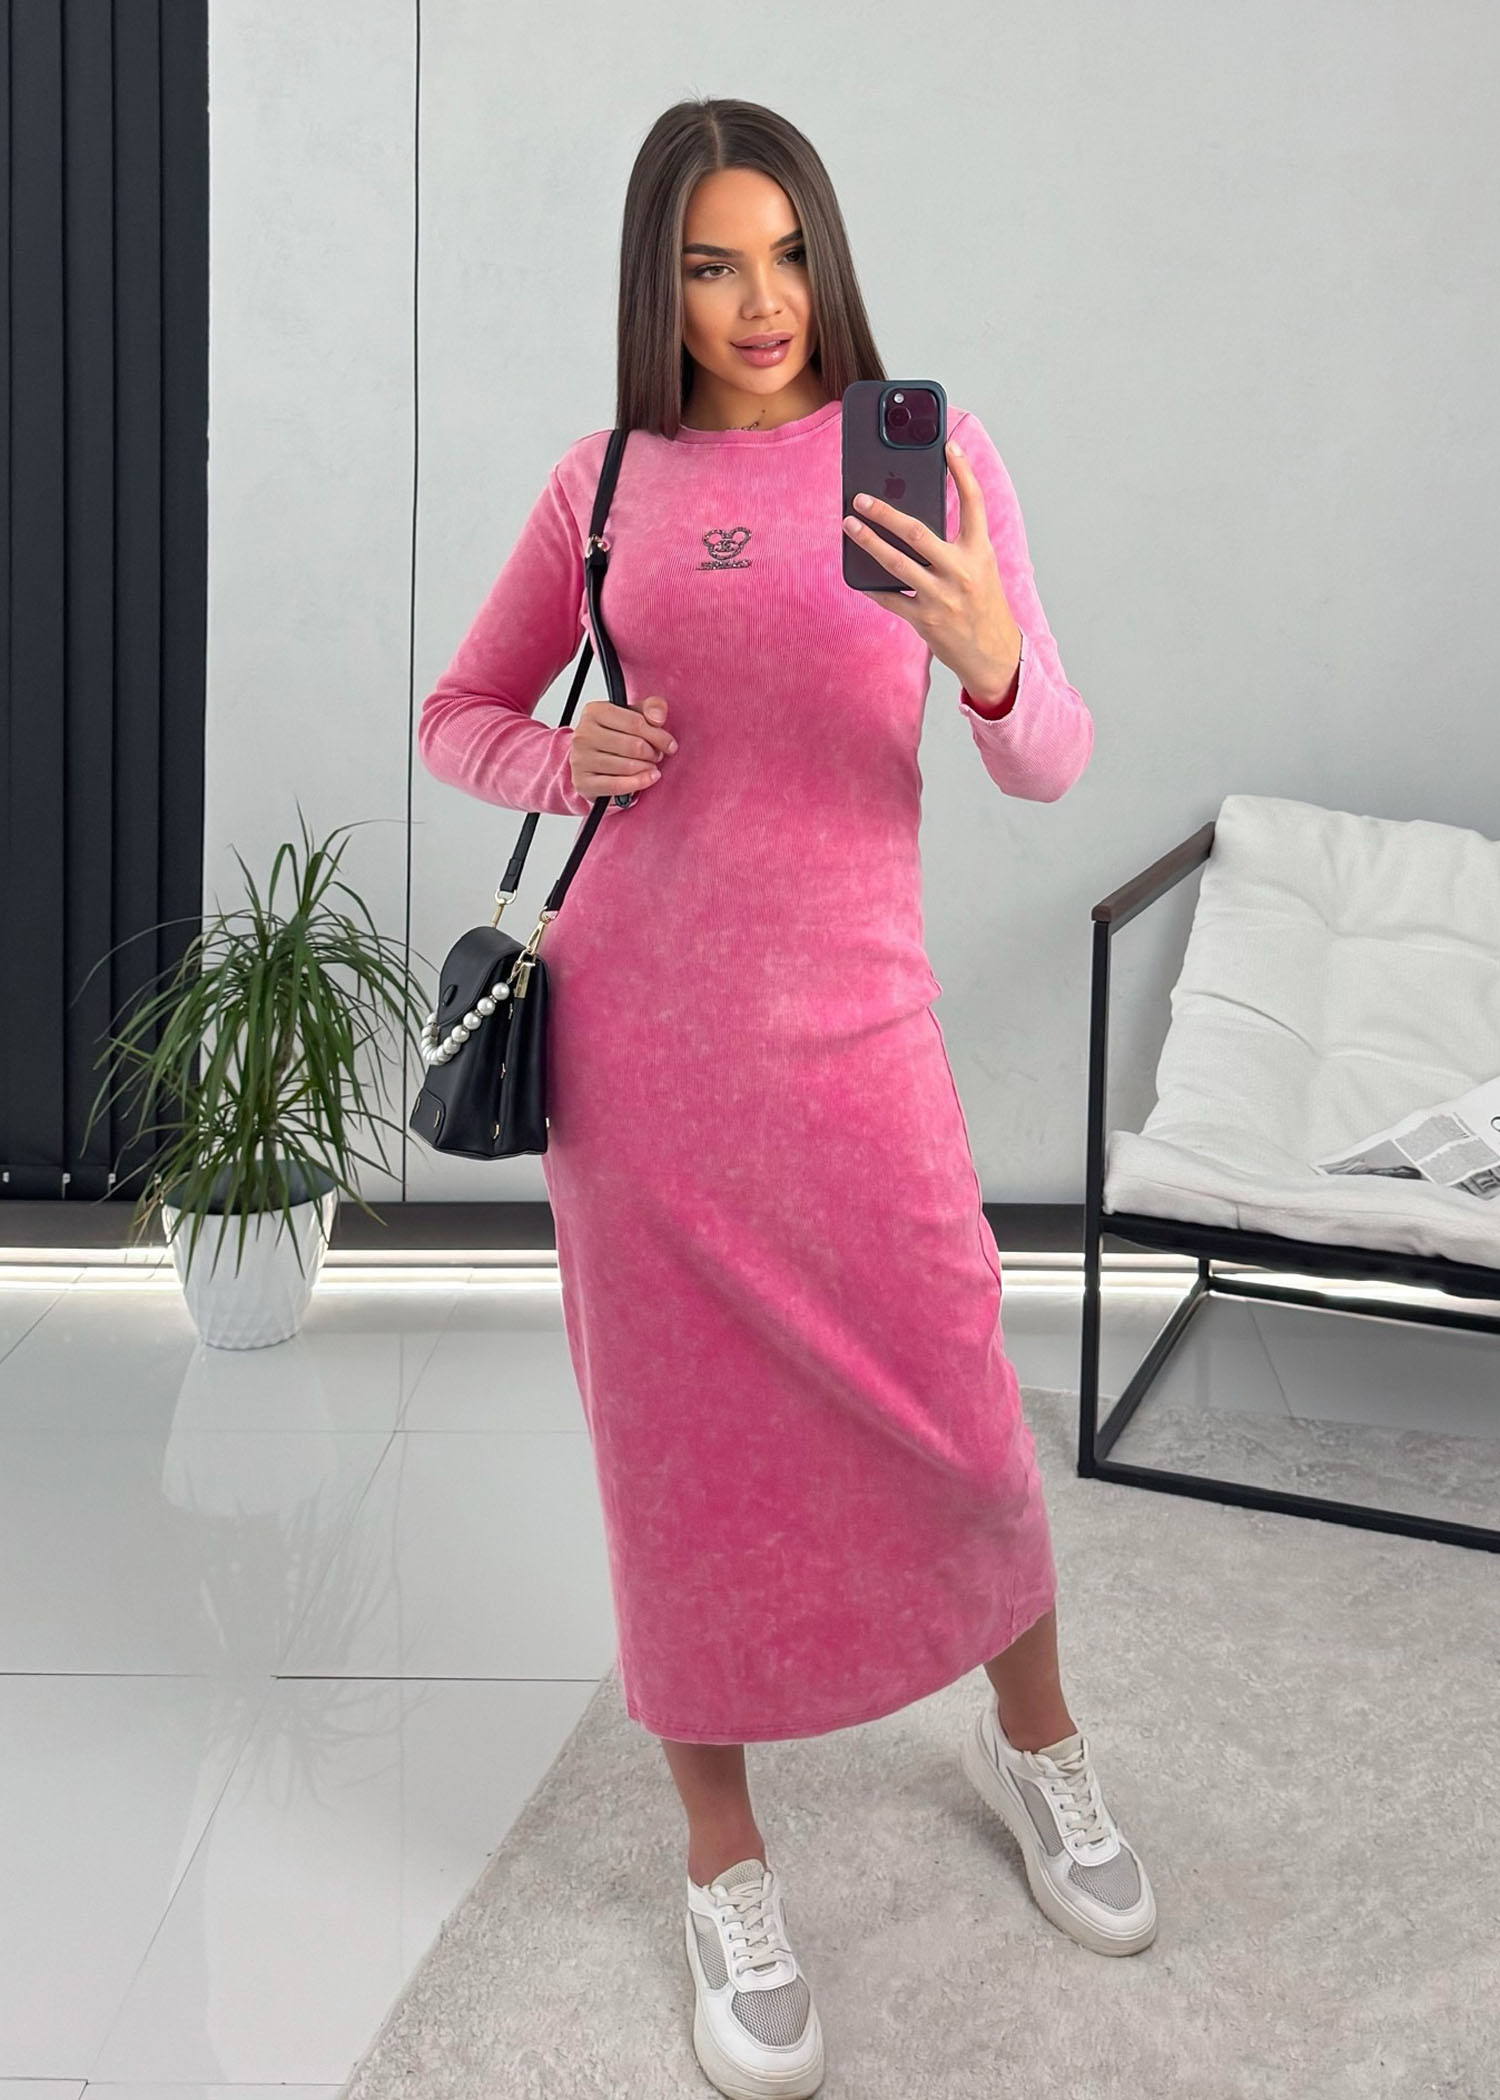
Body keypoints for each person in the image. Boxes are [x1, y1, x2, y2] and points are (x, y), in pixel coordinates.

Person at [418, 93, 1155, 2100]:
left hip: (856, 1040)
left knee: (964, 1424)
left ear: (828, 257)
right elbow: (459, 713)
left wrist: (991, 658)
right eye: (710, 265)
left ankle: (1038, 1747)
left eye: (787, 255)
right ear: (655, 286)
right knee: (679, 1474)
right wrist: (564, 762)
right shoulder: (602, 487)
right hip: (639, 1073)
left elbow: (1052, 759)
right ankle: (722, 1862)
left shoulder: (930, 449)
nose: (760, 302)